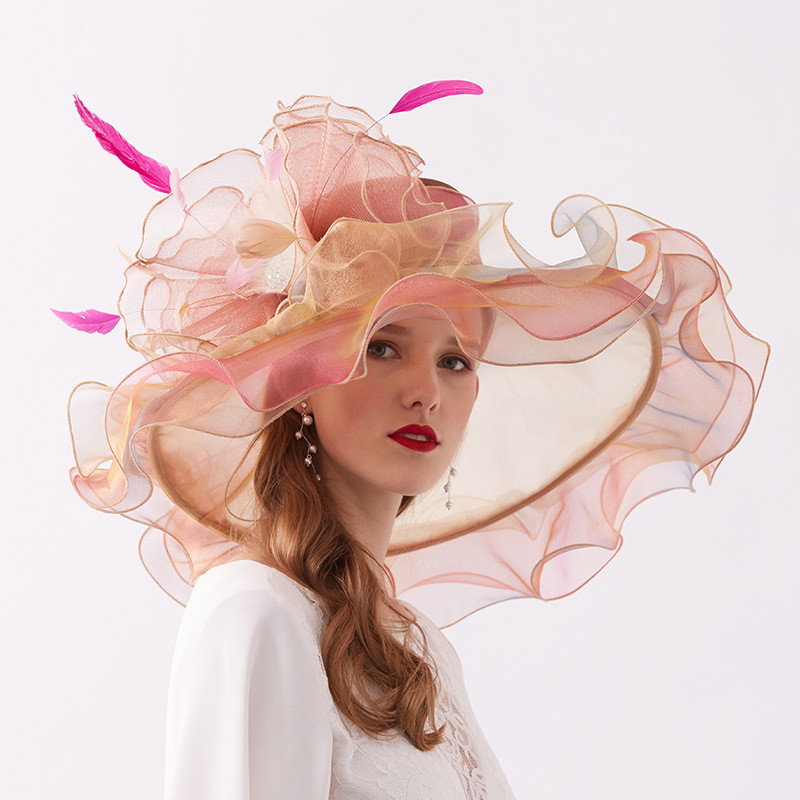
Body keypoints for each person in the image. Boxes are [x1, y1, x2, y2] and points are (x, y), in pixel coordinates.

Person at [62, 88, 768, 798]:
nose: (426, 390)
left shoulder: (424, 647)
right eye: (382, 347)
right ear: (303, 381)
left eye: (455, 360)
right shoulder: (255, 609)